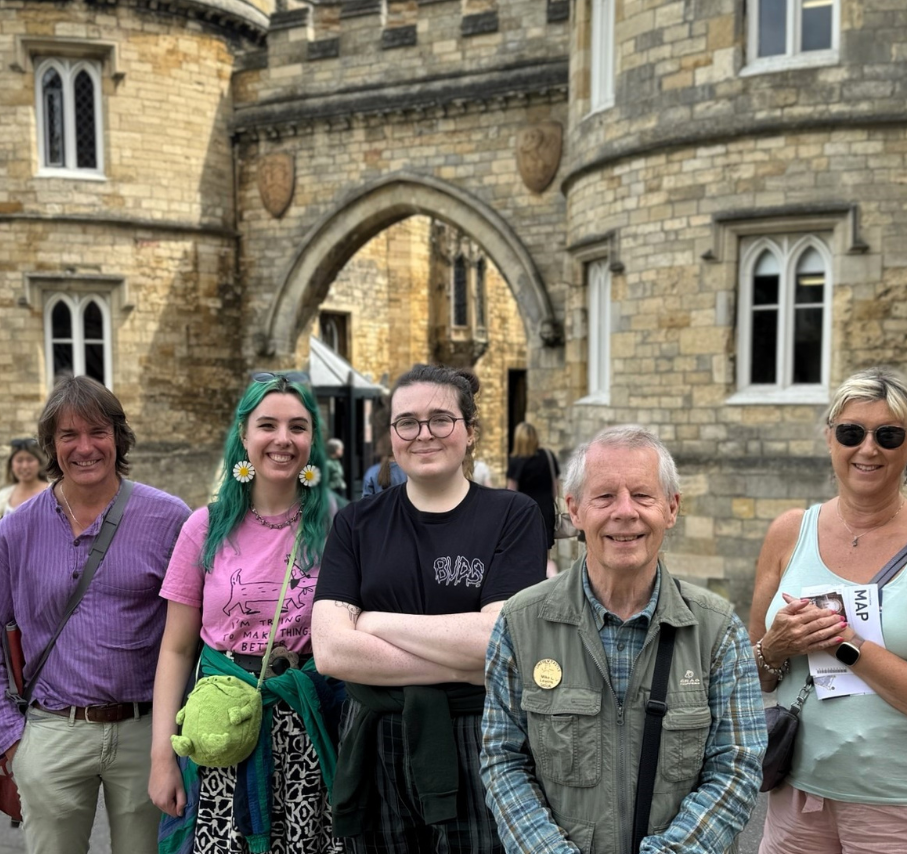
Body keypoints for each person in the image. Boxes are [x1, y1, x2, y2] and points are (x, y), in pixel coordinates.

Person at [482, 425, 764, 854]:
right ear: (574, 510)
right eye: (605, 496)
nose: (625, 512)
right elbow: (504, 760)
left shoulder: (717, 628)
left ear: (671, 508)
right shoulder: (522, 622)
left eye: (643, 495)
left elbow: (736, 766)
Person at [313, 363, 547, 854]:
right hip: (374, 741)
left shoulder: (512, 515)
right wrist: (464, 668)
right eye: (407, 422)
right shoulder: (357, 523)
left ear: (469, 433)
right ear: (392, 434)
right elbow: (332, 651)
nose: (424, 435)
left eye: (441, 419)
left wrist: (375, 623)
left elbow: (497, 641)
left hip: (483, 736)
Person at [748, 369, 907, 854]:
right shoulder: (789, 532)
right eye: (851, 432)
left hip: (904, 809)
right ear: (831, 438)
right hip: (799, 798)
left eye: (888, 435)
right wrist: (776, 646)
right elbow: (751, 680)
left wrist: (847, 645)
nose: (868, 449)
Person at [0, 377, 190, 854]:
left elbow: (193, 635)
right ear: (51, 445)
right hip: (52, 732)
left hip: (147, 735)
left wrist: (178, 736)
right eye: (68, 435)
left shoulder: (171, 520)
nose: (85, 447)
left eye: (97, 432)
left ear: (118, 436)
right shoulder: (13, 533)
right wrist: (10, 743)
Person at [150, 372, 343, 853]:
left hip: (311, 729)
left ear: (312, 438)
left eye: (298, 427)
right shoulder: (205, 527)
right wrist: (161, 757)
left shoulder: (339, 523)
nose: (283, 439)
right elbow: (175, 649)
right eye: (267, 425)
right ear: (243, 435)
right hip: (222, 733)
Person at [505, 421, 560, 555]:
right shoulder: (548, 456)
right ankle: (551, 575)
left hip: (524, 513)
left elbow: (511, 493)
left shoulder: (516, 461)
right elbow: (555, 487)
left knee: (525, 554)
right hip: (546, 511)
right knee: (545, 556)